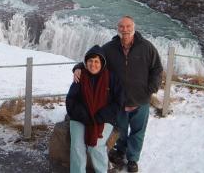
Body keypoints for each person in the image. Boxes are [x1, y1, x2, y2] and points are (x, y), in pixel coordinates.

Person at [73, 16, 163, 173]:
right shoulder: (109, 48)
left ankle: (133, 159)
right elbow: (94, 59)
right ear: (117, 29)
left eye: (128, 26)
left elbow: (157, 69)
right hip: (119, 101)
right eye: (121, 26)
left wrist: (150, 90)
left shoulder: (147, 47)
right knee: (120, 129)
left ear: (134, 28)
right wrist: (78, 67)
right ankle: (120, 152)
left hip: (140, 100)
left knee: (138, 131)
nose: (125, 29)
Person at [66, 45, 123, 173]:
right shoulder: (80, 76)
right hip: (80, 117)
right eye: (90, 61)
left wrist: (99, 116)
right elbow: (70, 100)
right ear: (85, 62)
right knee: (77, 146)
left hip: (103, 118)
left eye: (96, 61)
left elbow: (118, 102)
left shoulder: (111, 78)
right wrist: (84, 115)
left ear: (102, 63)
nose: (93, 64)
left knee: (96, 146)